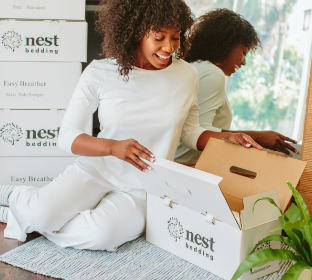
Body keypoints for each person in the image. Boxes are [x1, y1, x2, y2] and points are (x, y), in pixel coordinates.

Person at [2, 0, 261, 251]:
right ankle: (18, 199)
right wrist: (114, 147)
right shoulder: (100, 72)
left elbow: (190, 132)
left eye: (176, 37)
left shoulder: (186, 75)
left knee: (100, 236)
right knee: (39, 214)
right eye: (159, 37)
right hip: (97, 169)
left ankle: (29, 218)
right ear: (137, 32)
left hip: (146, 184)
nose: (169, 47)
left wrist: (227, 137)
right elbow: (67, 137)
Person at [175, 8, 298, 165]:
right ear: (225, 45)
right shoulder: (212, 73)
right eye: (243, 52)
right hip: (185, 168)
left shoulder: (196, 68)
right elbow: (195, 132)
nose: (243, 62)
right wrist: (258, 137)